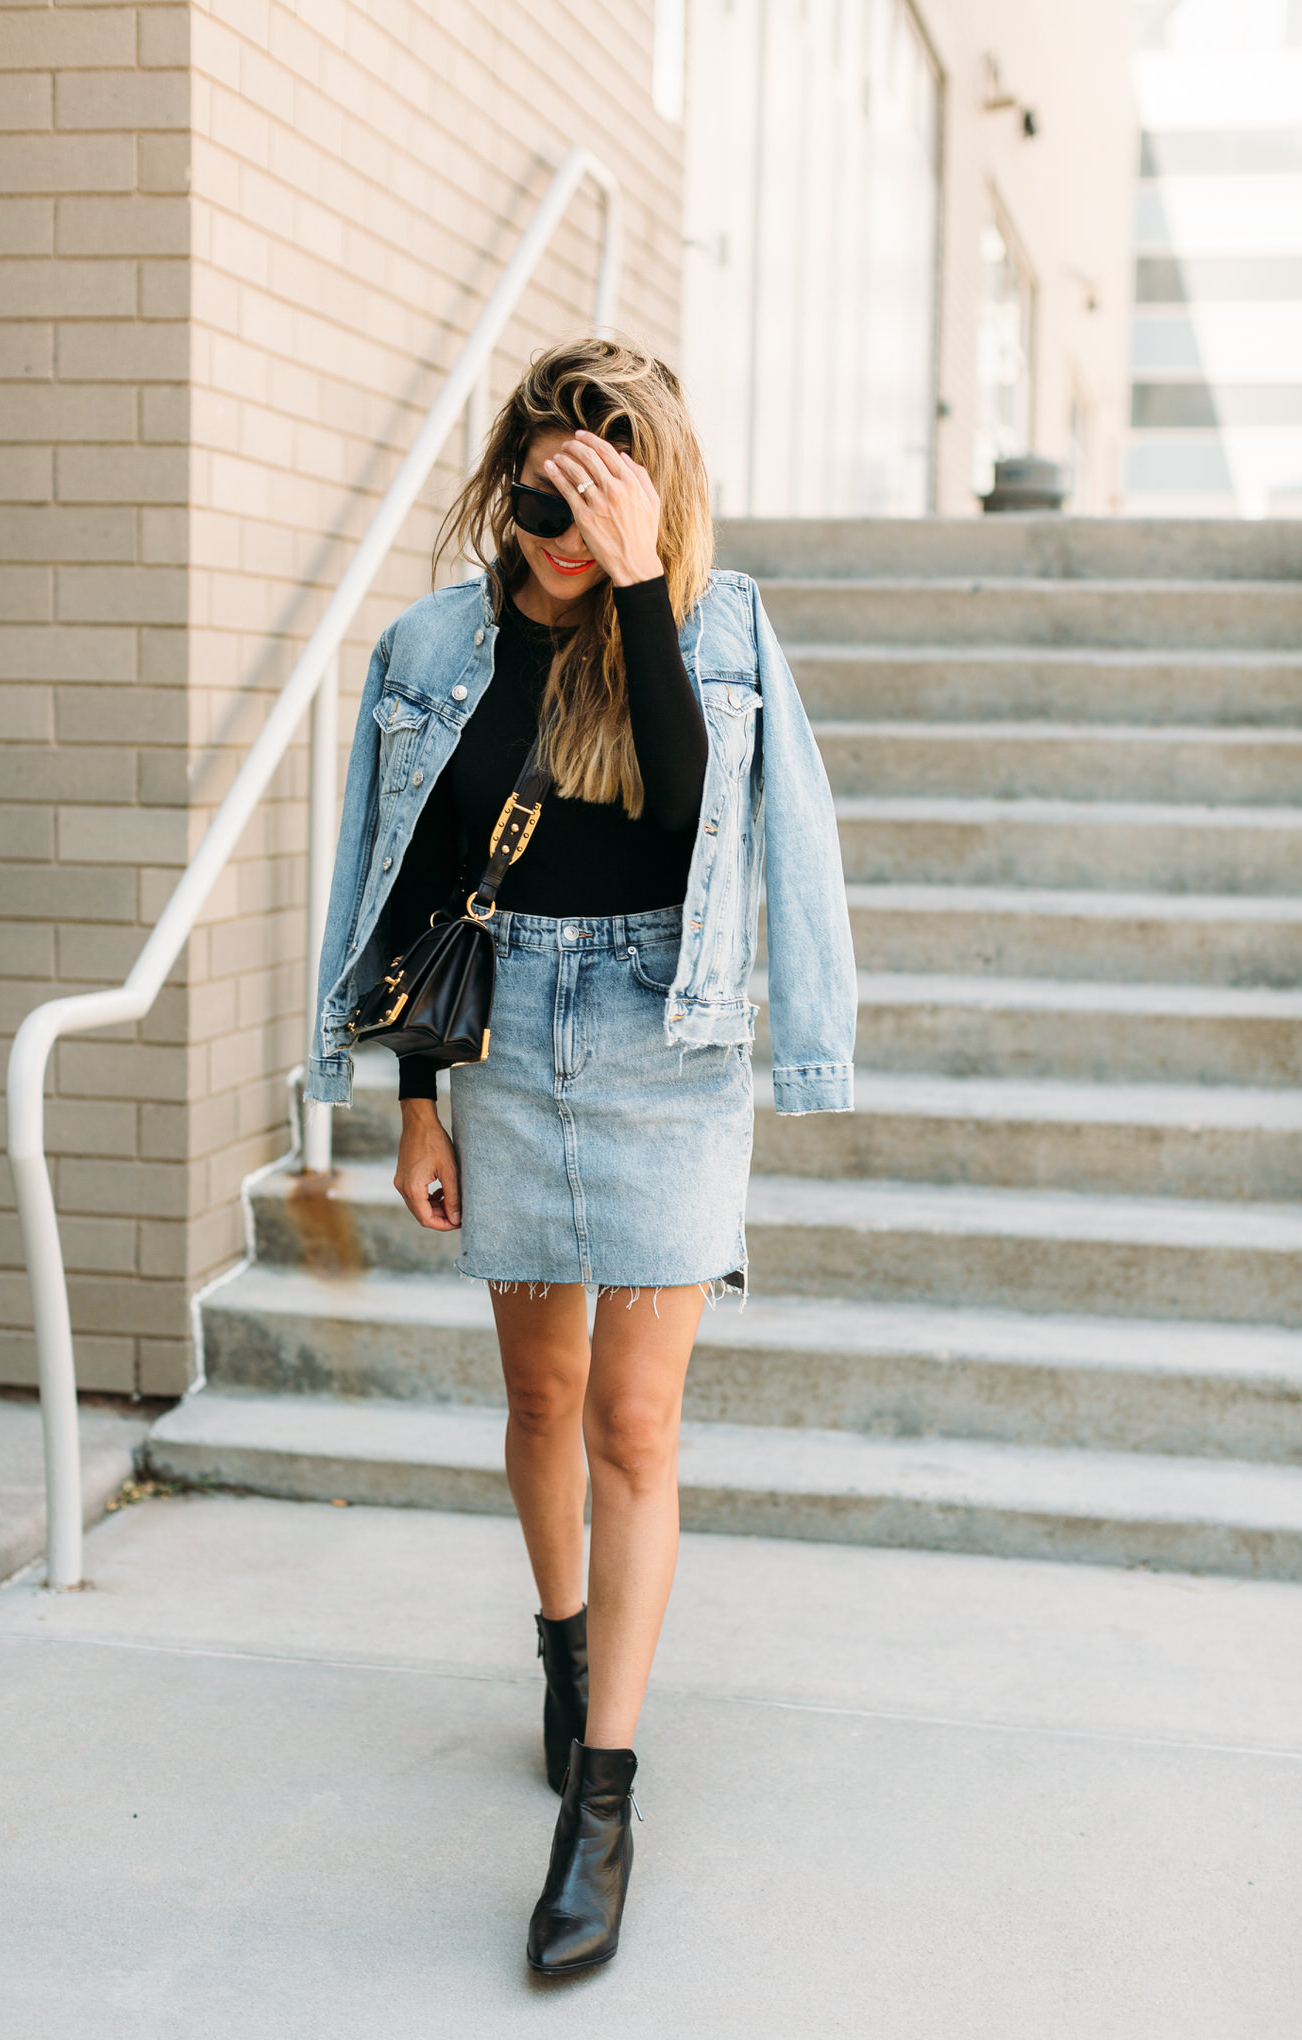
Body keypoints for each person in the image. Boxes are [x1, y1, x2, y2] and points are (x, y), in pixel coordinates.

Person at [307, 335, 856, 1975]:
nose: (564, 520)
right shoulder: (432, 644)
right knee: (541, 1397)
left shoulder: (713, 628)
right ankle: (565, 1655)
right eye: (548, 487)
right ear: (513, 475)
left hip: (663, 1047)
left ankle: (599, 1807)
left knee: (634, 1417)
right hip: (507, 1052)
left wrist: (634, 589)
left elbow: (705, 830)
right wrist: (411, 1101)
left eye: (603, 488)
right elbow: (410, 887)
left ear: (654, 490)